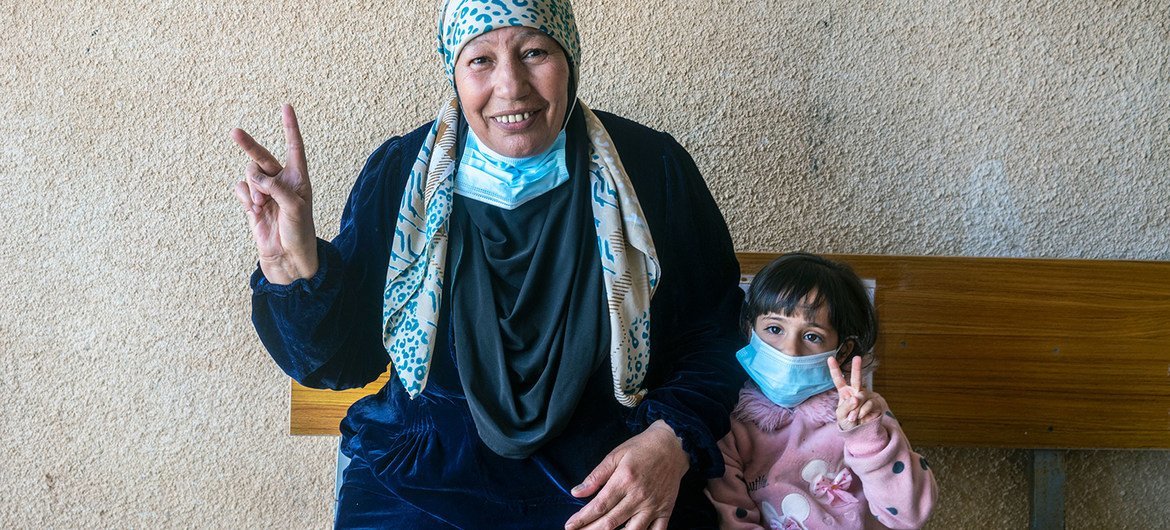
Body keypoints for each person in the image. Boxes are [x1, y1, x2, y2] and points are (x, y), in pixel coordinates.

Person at [229, 0, 745, 528]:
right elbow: (342, 361)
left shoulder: (651, 168)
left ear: (571, 56)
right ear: (453, 70)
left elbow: (717, 332)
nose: (511, 85)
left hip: (611, 476)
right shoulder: (403, 174)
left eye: (535, 51)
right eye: (480, 60)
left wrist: (671, 440)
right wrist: (290, 264)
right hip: (421, 474)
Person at [705, 253, 936, 529]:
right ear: (749, 330)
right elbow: (731, 518)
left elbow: (910, 515)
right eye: (775, 328)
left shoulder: (862, 414)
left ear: (842, 352)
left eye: (812, 336)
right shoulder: (728, 421)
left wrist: (866, 438)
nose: (790, 350)